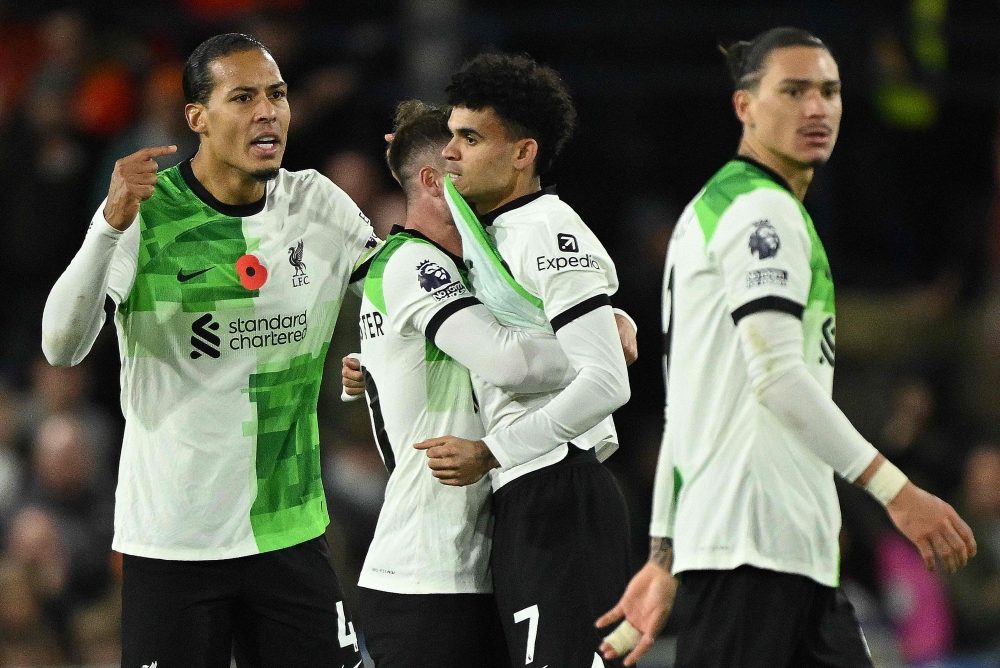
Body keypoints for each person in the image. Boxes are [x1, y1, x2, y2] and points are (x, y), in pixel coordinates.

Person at [595, 27, 977, 668]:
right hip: (755, 549)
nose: (816, 108)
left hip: (784, 556)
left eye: (829, 91)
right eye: (794, 91)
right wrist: (898, 492)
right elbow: (777, 377)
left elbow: (686, 406)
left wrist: (664, 555)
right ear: (744, 106)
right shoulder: (761, 213)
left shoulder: (715, 208)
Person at [41, 33, 377, 668]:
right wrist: (107, 225)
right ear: (197, 117)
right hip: (174, 541)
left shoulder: (316, 203)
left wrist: (381, 354)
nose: (267, 112)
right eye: (243, 97)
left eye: (277, 95)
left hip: (287, 529)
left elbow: (398, 294)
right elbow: (60, 346)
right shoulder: (145, 214)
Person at [406, 53, 634, 668]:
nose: (450, 152)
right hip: (526, 493)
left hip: (561, 490)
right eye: (450, 135)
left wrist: (492, 451)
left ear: (523, 153)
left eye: (470, 138)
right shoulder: (494, 229)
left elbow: (607, 382)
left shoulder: (546, 229)